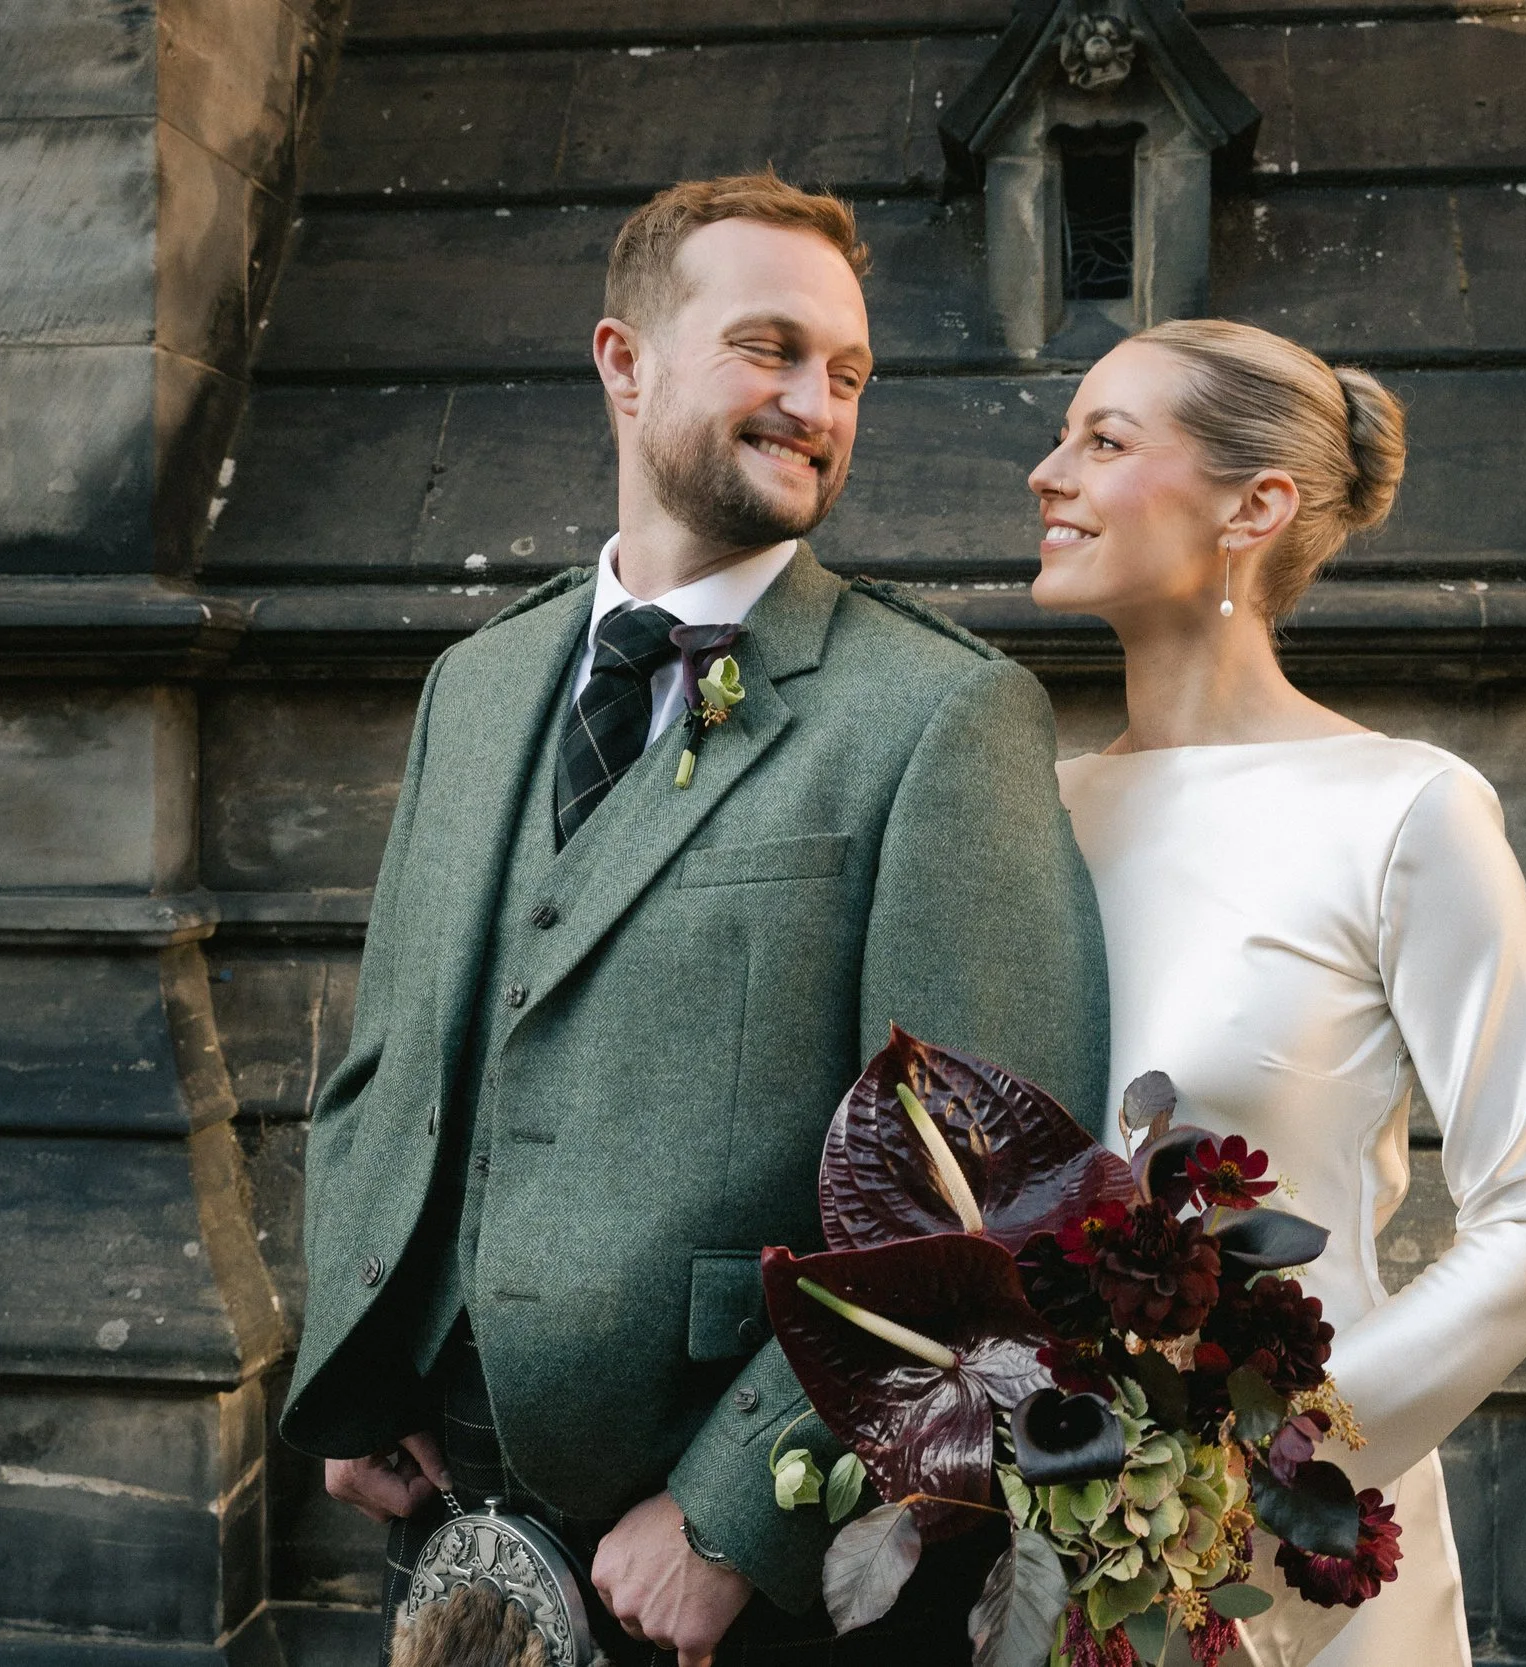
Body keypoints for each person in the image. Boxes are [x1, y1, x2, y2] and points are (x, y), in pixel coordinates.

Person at [279, 171, 1109, 1667]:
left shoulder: (937, 714)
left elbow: (984, 1206)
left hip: (724, 1581)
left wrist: (742, 1511)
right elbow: (382, 1062)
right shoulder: (477, 684)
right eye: (770, 348)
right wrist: (352, 1367)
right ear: (624, 361)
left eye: (849, 373)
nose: (817, 401)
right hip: (439, 1515)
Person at [1030, 320, 1526, 1667]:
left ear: (1256, 505)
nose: (1046, 473)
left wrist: (1265, 1471)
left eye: (1103, 441)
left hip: (1300, 1563)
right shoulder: (1034, 810)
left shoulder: (1407, 809)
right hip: (1041, 1551)